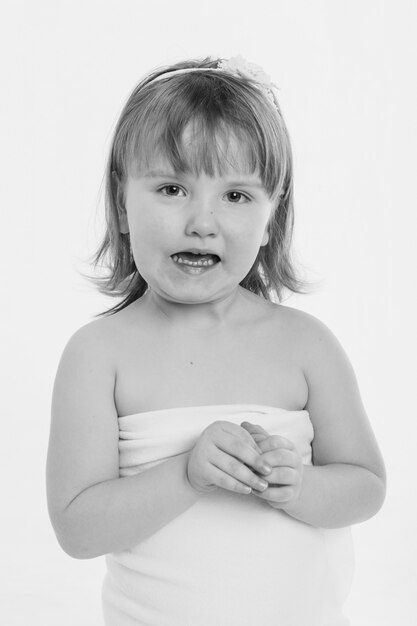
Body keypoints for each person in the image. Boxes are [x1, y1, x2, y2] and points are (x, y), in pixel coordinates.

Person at [46, 54, 386, 626]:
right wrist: (187, 473)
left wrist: (298, 486)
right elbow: (78, 530)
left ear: (272, 212)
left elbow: (367, 486)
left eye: (236, 196)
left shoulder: (305, 346)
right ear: (122, 203)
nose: (202, 221)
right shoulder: (99, 356)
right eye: (173, 187)